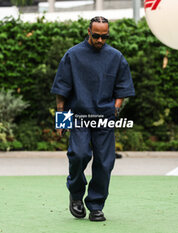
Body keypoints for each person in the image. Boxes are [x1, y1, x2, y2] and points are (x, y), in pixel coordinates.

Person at [51, 16, 135, 222]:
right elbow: (62, 90)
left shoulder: (116, 57)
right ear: (88, 32)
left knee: (105, 163)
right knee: (79, 155)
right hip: (78, 115)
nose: (100, 40)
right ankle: (76, 194)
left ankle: (96, 205)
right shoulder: (73, 55)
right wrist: (61, 119)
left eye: (104, 37)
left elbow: (122, 88)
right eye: (96, 36)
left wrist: (115, 109)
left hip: (104, 117)